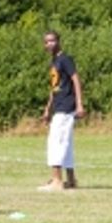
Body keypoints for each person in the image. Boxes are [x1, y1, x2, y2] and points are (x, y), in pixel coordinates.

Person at [39, 30, 84, 192]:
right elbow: (54, 87)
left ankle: (57, 181)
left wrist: (79, 104)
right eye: (46, 42)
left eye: (52, 41)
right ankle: (71, 180)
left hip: (66, 106)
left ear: (58, 41)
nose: (49, 44)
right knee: (66, 144)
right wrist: (47, 109)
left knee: (56, 142)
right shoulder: (54, 62)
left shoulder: (65, 60)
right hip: (58, 106)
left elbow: (76, 80)